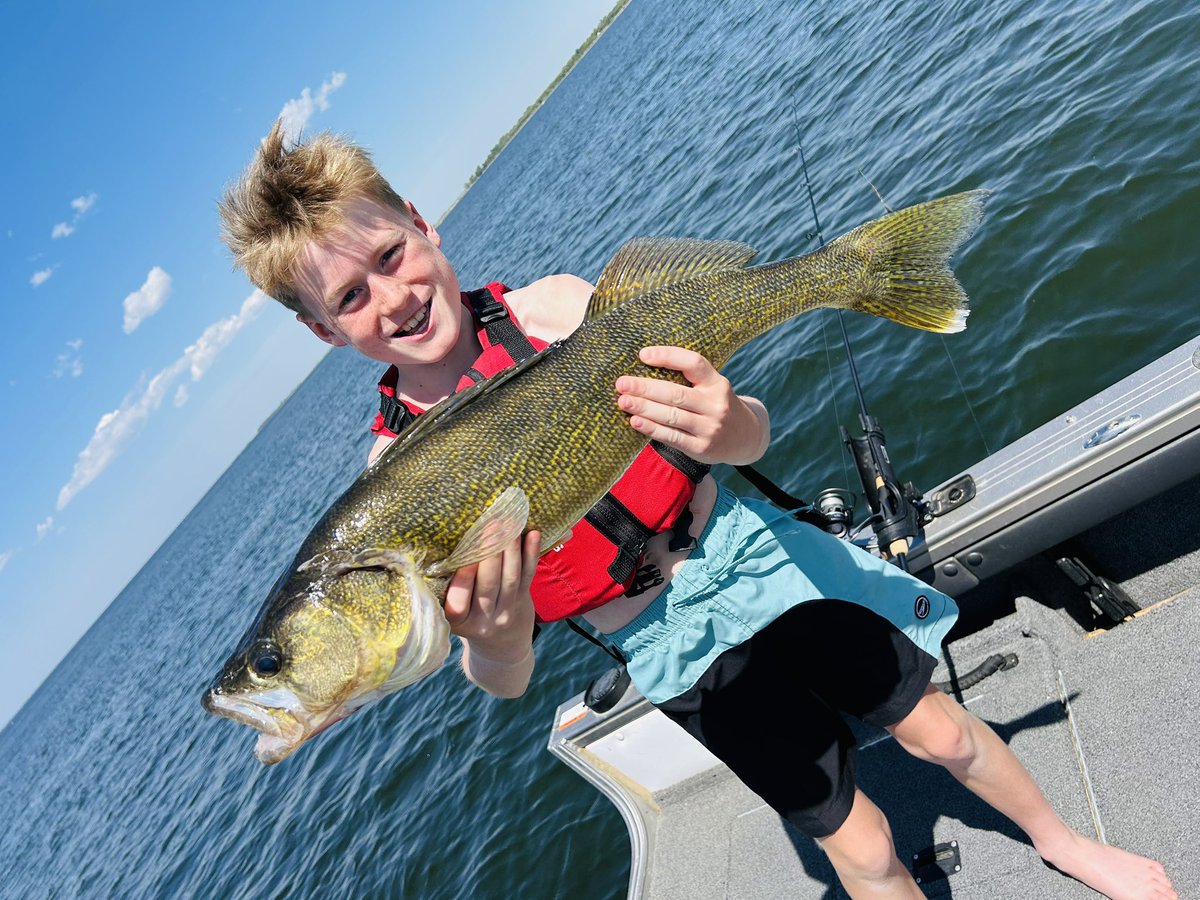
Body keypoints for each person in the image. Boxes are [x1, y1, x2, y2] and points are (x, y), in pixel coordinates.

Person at [218, 121, 1175, 900]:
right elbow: (500, 679)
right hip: (673, 649)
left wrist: (730, 428)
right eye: (350, 296)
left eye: (391, 255)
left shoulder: (558, 307)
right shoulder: (389, 479)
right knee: (863, 847)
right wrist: (502, 637)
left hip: (756, 555)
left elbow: (745, 433)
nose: (392, 295)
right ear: (321, 330)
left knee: (945, 729)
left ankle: (1063, 840)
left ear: (422, 223)